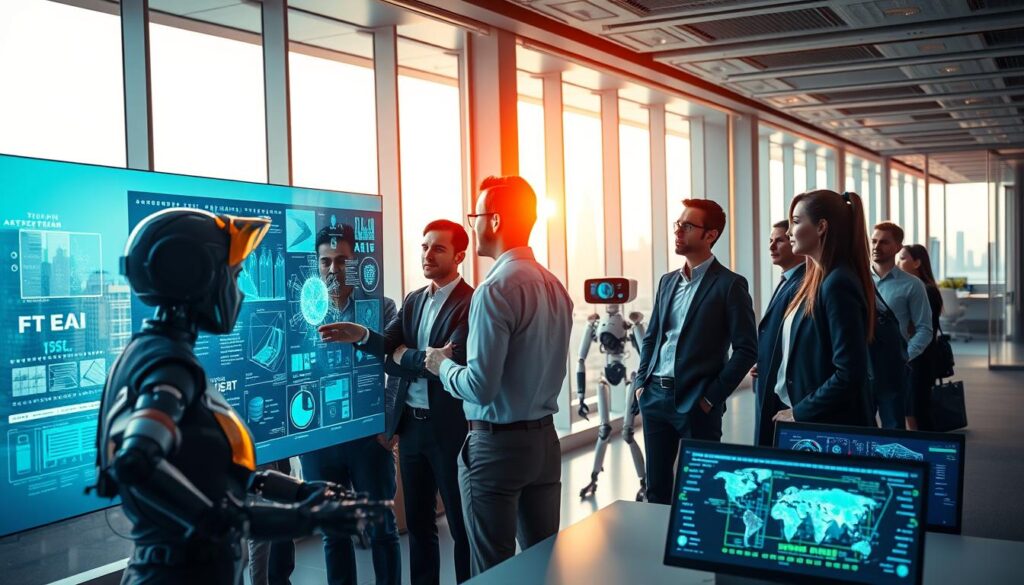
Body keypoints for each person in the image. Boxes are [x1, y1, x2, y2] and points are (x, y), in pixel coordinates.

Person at [92, 209, 386, 585]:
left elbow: (222, 475)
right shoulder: (168, 368)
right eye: (233, 275)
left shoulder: (160, 355)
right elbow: (136, 461)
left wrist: (303, 493)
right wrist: (300, 519)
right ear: (197, 277)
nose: (240, 290)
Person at [422, 176, 573, 576]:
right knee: (542, 565)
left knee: (492, 571)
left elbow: (481, 387)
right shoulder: (555, 286)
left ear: (495, 221)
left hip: (497, 447)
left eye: (477, 216)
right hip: (544, 442)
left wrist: (441, 366)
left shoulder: (494, 289)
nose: (473, 224)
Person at [319, 220, 474, 584]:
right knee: (420, 525)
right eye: (424, 247)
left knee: (460, 524)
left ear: (459, 256)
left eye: (438, 248)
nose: (427, 254)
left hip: (449, 429)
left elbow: (452, 362)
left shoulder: (471, 302)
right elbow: (389, 353)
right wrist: (362, 334)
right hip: (411, 428)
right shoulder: (413, 299)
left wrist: (413, 356)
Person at [632, 198, 757, 505]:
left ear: (710, 235)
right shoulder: (667, 282)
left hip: (697, 402)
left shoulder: (730, 285)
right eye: (678, 224)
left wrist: (711, 397)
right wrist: (640, 385)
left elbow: (746, 349)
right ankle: (657, 551)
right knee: (656, 489)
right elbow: (652, 338)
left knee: (702, 491)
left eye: (687, 226)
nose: (678, 231)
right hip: (655, 398)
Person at [300, 225, 401, 585]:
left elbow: (399, 369)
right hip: (320, 440)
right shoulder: (304, 314)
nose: (333, 268)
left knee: (382, 529)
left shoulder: (381, 307)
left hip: (367, 437)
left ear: (356, 263)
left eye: (342, 260)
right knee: (333, 532)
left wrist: (388, 425)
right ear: (316, 264)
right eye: (325, 261)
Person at [771, 190, 875, 427]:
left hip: (827, 422)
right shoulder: (818, 279)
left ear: (821, 227)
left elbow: (850, 373)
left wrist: (800, 412)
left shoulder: (837, 283)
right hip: (813, 415)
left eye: (795, 222)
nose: (788, 232)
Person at [871, 222, 932, 429]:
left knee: (894, 428)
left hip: (893, 368)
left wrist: (905, 355)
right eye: (874, 241)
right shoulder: (857, 280)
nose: (876, 246)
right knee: (859, 430)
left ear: (897, 247)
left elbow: (925, 329)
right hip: (861, 368)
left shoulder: (912, 285)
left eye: (884, 242)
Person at [752, 220, 806, 446]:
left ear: (794, 242)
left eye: (780, 240)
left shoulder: (803, 282)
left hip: (785, 391)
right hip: (769, 378)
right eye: (770, 241)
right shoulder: (786, 280)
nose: (772, 246)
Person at [897, 244, 944, 431]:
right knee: (911, 409)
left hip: (920, 358)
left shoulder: (927, 290)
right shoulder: (913, 288)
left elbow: (923, 328)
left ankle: (926, 452)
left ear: (917, 263)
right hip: (913, 357)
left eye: (902, 258)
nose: (898, 262)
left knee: (916, 410)